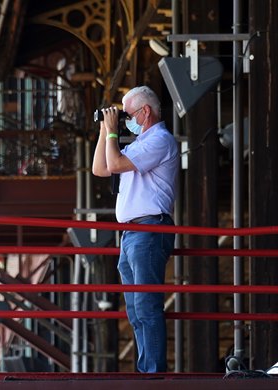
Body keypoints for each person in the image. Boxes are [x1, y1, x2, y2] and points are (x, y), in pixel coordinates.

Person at [92, 86, 179, 373]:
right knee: (134, 310)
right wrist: (106, 130)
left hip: (150, 230)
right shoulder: (138, 146)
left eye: (127, 114)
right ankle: (147, 370)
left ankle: (153, 373)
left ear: (145, 112)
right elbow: (100, 168)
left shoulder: (160, 141)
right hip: (132, 234)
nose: (124, 119)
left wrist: (114, 132)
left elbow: (114, 163)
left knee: (146, 306)